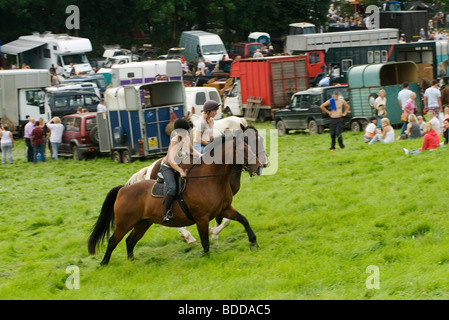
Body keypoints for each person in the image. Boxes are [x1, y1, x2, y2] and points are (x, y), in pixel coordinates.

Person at [160, 119, 199, 223]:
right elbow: (170, 160)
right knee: (172, 188)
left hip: (178, 167)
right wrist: (181, 171)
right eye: (185, 131)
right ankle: (166, 213)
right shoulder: (175, 141)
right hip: (168, 167)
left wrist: (201, 155)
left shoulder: (186, 138)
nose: (187, 132)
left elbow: (191, 150)